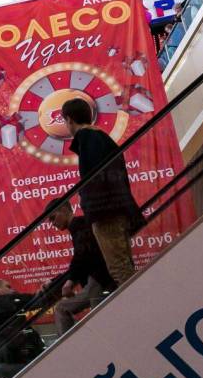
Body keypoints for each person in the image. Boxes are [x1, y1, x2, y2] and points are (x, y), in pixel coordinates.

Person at [61, 98, 143, 286]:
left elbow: (97, 178)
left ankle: (140, 302)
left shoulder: (88, 138)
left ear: (69, 119)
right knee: (123, 264)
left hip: (105, 212)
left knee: (119, 267)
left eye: (65, 121)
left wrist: (90, 205)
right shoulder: (99, 137)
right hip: (115, 208)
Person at [45, 198, 116, 335]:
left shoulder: (79, 225)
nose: (53, 223)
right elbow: (80, 261)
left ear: (64, 210)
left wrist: (70, 281)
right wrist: (57, 281)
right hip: (101, 279)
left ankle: (68, 346)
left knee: (61, 309)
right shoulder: (80, 226)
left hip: (100, 280)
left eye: (53, 218)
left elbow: (82, 256)